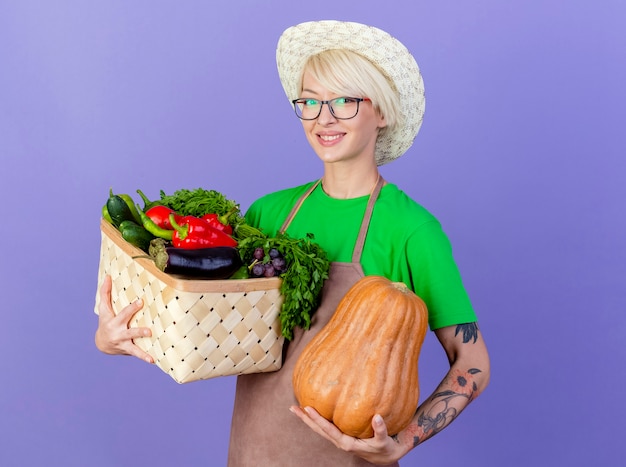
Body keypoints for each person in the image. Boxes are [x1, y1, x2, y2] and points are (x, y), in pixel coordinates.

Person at [95, 20, 490, 466]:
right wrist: (117, 336)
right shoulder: (270, 214)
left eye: (344, 100)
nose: (324, 118)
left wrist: (403, 441)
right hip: (254, 450)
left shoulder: (412, 230)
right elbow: (207, 321)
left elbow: (472, 362)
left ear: (381, 112)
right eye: (311, 101)